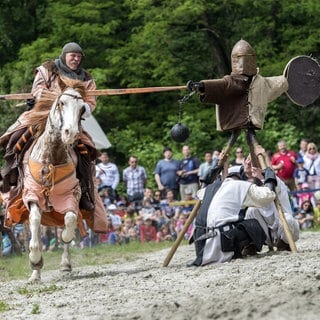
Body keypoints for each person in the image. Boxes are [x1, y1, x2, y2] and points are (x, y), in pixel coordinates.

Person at [0, 42, 108, 233]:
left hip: (71, 120)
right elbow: (38, 90)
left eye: (78, 56)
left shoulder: (87, 79)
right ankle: (11, 176)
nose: (75, 59)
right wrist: (43, 97)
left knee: (88, 153)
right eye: (72, 55)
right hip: (41, 114)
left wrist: (79, 107)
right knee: (14, 137)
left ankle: (84, 191)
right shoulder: (47, 69)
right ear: (65, 55)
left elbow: (91, 102)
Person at [186, 39, 290, 182]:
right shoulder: (231, 82)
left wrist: (290, 80)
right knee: (231, 148)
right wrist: (201, 86)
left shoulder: (260, 82)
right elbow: (219, 86)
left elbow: (279, 83)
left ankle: (265, 178)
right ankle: (214, 174)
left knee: (255, 148)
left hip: (250, 121)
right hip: (237, 120)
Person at [189, 145, 278, 266]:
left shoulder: (209, 189)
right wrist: (269, 173)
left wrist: (219, 166)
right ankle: (247, 248)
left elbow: (204, 183)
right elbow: (268, 195)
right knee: (252, 224)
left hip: (200, 245)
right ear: (238, 179)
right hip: (220, 244)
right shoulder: (240, 186)